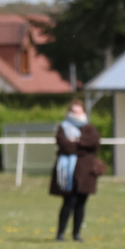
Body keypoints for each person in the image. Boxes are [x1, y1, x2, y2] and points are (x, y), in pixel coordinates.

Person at [49, 100, 103, 241]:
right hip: (68, 173)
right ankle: (60, 234)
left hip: (85, 174)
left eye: (78, 111)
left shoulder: (89, 128)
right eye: (73, 111)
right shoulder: (63, 127)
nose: (75, 114)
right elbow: (64, 145)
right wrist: (81, 145)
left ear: (83, 112)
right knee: (68, 202)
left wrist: (77, 142)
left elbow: (94, 143)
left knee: (81, 204)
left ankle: (76, 234)